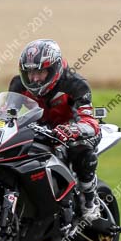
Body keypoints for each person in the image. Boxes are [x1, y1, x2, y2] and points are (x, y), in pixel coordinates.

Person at [9, 39, 102, 221]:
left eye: (40, 72)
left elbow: (90, 121)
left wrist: (72, 130)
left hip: (72, 130)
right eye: (29, 73)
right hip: (39, 130)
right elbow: (7, 113)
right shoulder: (18, 85)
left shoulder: (76, 84)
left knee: (81, 148)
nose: (34, 79)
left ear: (54, 69)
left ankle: (89, 200)